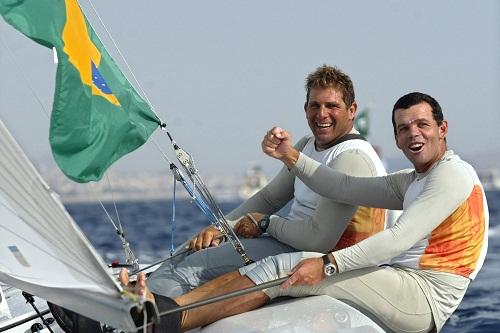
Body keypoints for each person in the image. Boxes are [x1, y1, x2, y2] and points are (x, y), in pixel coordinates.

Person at [122, 92, 489, 333]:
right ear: (395, 137)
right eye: (404, 128)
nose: (413, 135)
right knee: (278, 266)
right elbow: (341, 186)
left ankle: (167, 318)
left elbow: (396, 240)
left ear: (442, 129)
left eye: (422, 125)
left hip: (423, 300)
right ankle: (165, 307)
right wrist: (291, 156)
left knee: (290, 269)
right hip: (400, 282)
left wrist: (327, 264)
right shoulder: (412, 180)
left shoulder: (452, 175)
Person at [147, 65, 389, 298]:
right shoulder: (307, 144)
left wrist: (264, 224)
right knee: (189, 249)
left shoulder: (352, 158)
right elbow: (270, 197)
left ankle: (140, 316)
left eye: (332, 106)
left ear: (352, 109)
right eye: (315, 105)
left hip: (318, 261)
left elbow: (318, 240)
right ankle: (139, 296)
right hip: (288, 242)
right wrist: (221, 228)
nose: (321, 114)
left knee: (193, 267)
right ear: (305, 108)